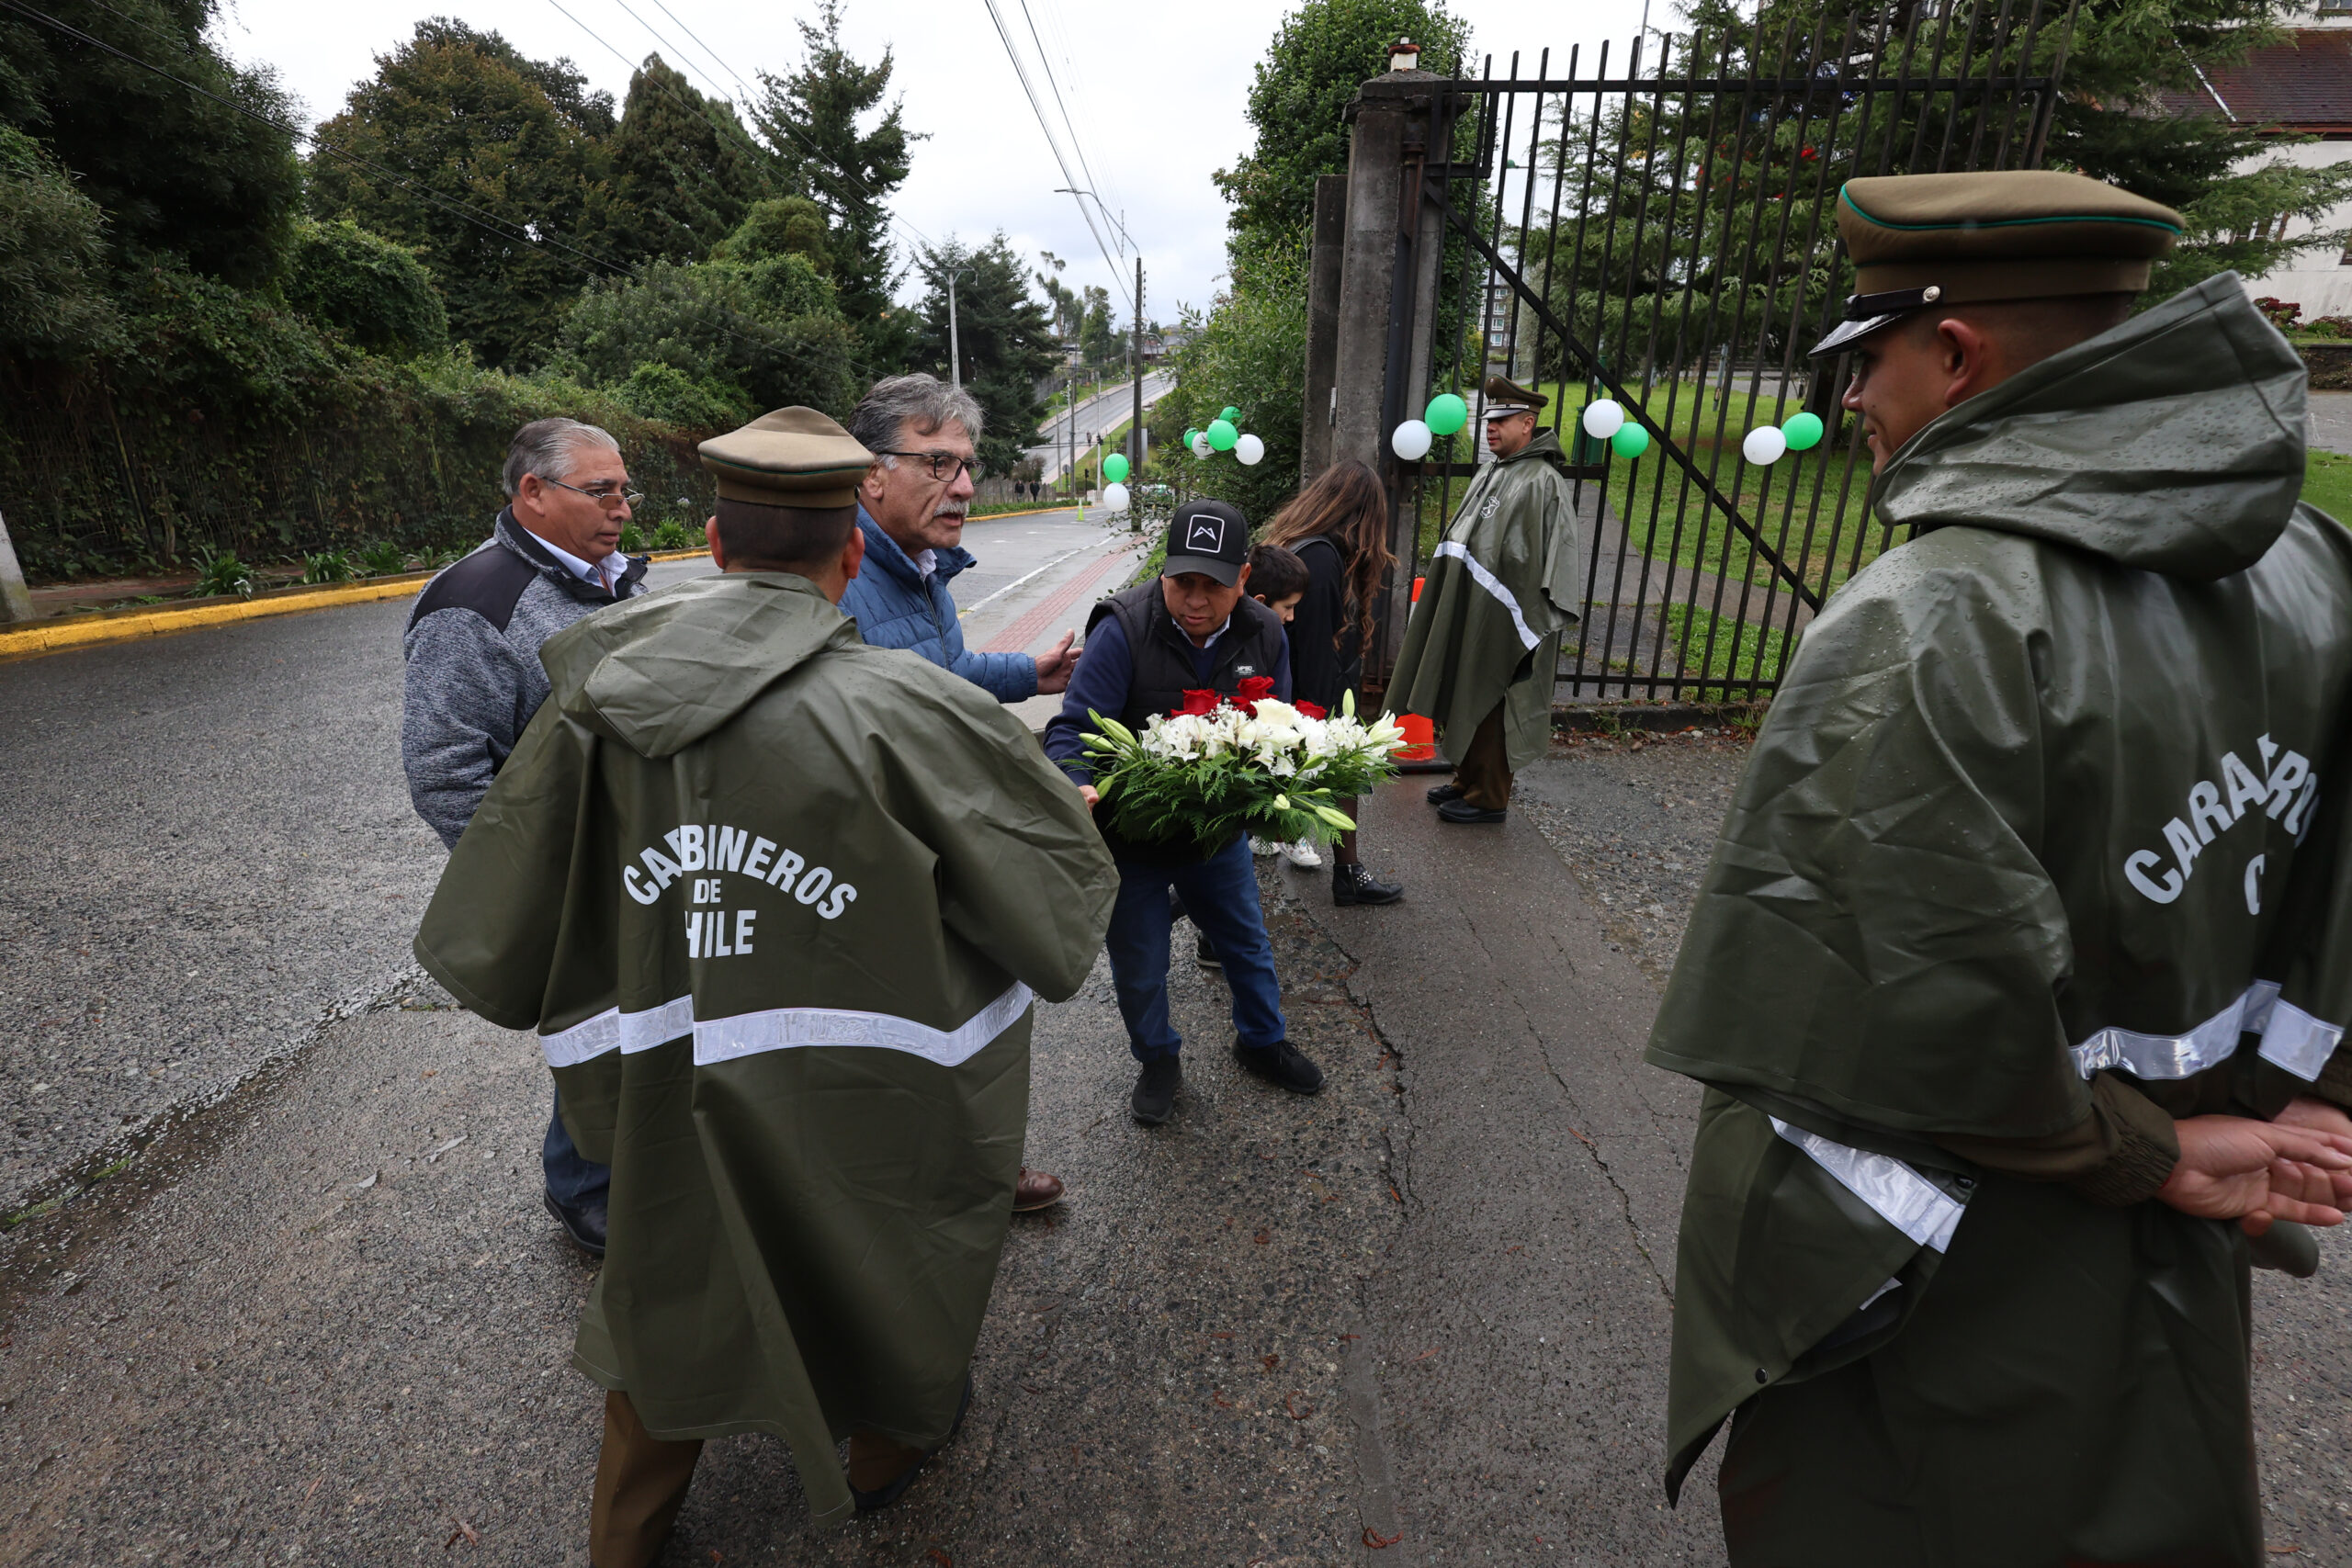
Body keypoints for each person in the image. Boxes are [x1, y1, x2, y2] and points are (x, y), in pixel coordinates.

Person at [1643, 170, 2352, 1565]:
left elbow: (1895, 1009)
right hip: (2189, 1226)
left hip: (1960, 1276)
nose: (1853, 396)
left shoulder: (1932, 617)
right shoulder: (2313, 563)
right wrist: (2304, 1099)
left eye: (1868, 357)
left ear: (1955, 352)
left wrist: (2150, 1152)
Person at [412, 406, 1115, 1563]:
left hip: (666, 1085)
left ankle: (629, 1529)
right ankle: (885, 1447)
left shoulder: (591, 707)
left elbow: (497, 924)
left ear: (712, 542)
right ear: (852, 550)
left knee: (670, 1272)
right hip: (863, 1089)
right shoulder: (916, 711)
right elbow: (1056, 916)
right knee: (887, 1256)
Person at [400, 416, 650, 1258]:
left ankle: (633, 1163)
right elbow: (443, 770)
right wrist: (530, 882)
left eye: (625, 490)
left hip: (638, 852)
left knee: (642, 1012)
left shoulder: (612, 576)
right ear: (533, 493)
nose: (622, 508)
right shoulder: (474, 604)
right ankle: (583, 1189)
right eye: (601, 491)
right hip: (564, 870)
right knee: (593, 1022)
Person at [838, 373, 1079, 1213]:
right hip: (889, 857)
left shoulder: (920, 566)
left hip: (940, 842)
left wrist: (1028, 673)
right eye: (938, 462)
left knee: (970, 1010)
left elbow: (940, 674)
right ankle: (928, 1188)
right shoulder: (843, 576)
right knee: (911, 1024)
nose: (966, 486)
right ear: (872, 473)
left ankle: (968, 1166)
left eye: (966, 464)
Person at [1044, 499, 1325, 1126]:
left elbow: (1277, 728)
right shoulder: (1122, 628)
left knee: (1245, 943)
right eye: (1182, 582)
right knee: (1139, 962)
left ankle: (1262, 1041)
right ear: (1164, 572)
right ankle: (1157, 1059)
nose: (1195, 601)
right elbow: (1072, 730)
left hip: (1214, 836)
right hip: (1130, 838)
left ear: (1244, 578)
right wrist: (1077, 783)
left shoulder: (1265, 631)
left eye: (1213, 585)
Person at [1385, 377, 1582, 826]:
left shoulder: (1543, 481)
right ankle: (1466, 780)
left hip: (1510, 617)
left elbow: (1555, 558)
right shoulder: (1495, 470)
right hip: (1476, 605)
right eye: (1488, 419)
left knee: (1495, 698)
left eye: (1502, 420)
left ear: (1528, 424)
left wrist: (1527, 616)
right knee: (1466, 687)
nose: (1490, 427)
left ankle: (1488, 797)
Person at [1257, 460, 1407, 902]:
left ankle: (1347, 871)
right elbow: (1316, 645)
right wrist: (1327, 721)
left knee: (1314, 784)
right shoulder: (1322, 557)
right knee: (1342, 773)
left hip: (1294, 691)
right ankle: (1348, 876)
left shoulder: (1302, 543)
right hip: (1312, 695)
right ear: (1362, 514)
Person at [1242, 542, 1324, 873]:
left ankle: (1285, 831)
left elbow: (1282, 693)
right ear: (1261, 601)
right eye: (1288, 607)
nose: (1291, 617)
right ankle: (1274, 832)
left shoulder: (1277, 636)